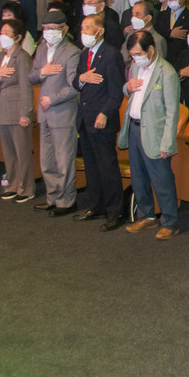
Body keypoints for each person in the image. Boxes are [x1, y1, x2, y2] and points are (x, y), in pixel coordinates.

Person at [120, 31, 182, 240]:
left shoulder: (167, 72)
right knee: (138, 178)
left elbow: (173, 111)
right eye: (132, 55)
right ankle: (146, 215)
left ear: (151, 50)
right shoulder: (136, 66)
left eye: (138, 53)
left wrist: (167, 142)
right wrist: (126, 88)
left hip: (155, 133)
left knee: (162, 179)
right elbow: (130, 93)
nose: (135, 58)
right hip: (134, 129)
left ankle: (170, 221)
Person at [72, 13, 126, 231]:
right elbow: (76, 83)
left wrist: (104, 113)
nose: (83, 32)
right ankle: (96, 206)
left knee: (107, 166)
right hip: (85, 119)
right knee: (92, 167)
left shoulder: (111, 55)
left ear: (100, 30)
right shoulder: (84, 55)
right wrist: (81, 79)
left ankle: (115, 211)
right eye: (82, 28)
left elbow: (116, 92)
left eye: (87, 28)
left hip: (102, 120)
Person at [29, 10, 81, 215]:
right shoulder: (41, 49)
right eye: (46, 29)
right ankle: (52, 197)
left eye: (54, 29)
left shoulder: (72, 52)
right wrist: (42, 72)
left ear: (64, 29)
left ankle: (66, 201)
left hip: (62, 111)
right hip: (44, 113)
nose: (49, 32)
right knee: (47, 159)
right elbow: (31, 76)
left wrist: (53, 98)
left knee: (64, 159)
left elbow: (73, 86)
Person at [0, 18, 35, 202]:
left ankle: (27, 188)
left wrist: (26, 113)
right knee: (8, 152)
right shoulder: (0, 57)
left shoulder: (22, 57)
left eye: (7, 33)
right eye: (2, 32)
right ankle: (13, 184)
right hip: (2, 110)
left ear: (17, 37)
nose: (3, 36)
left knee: (22, 152)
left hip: (17, 111)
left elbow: (26, 87)